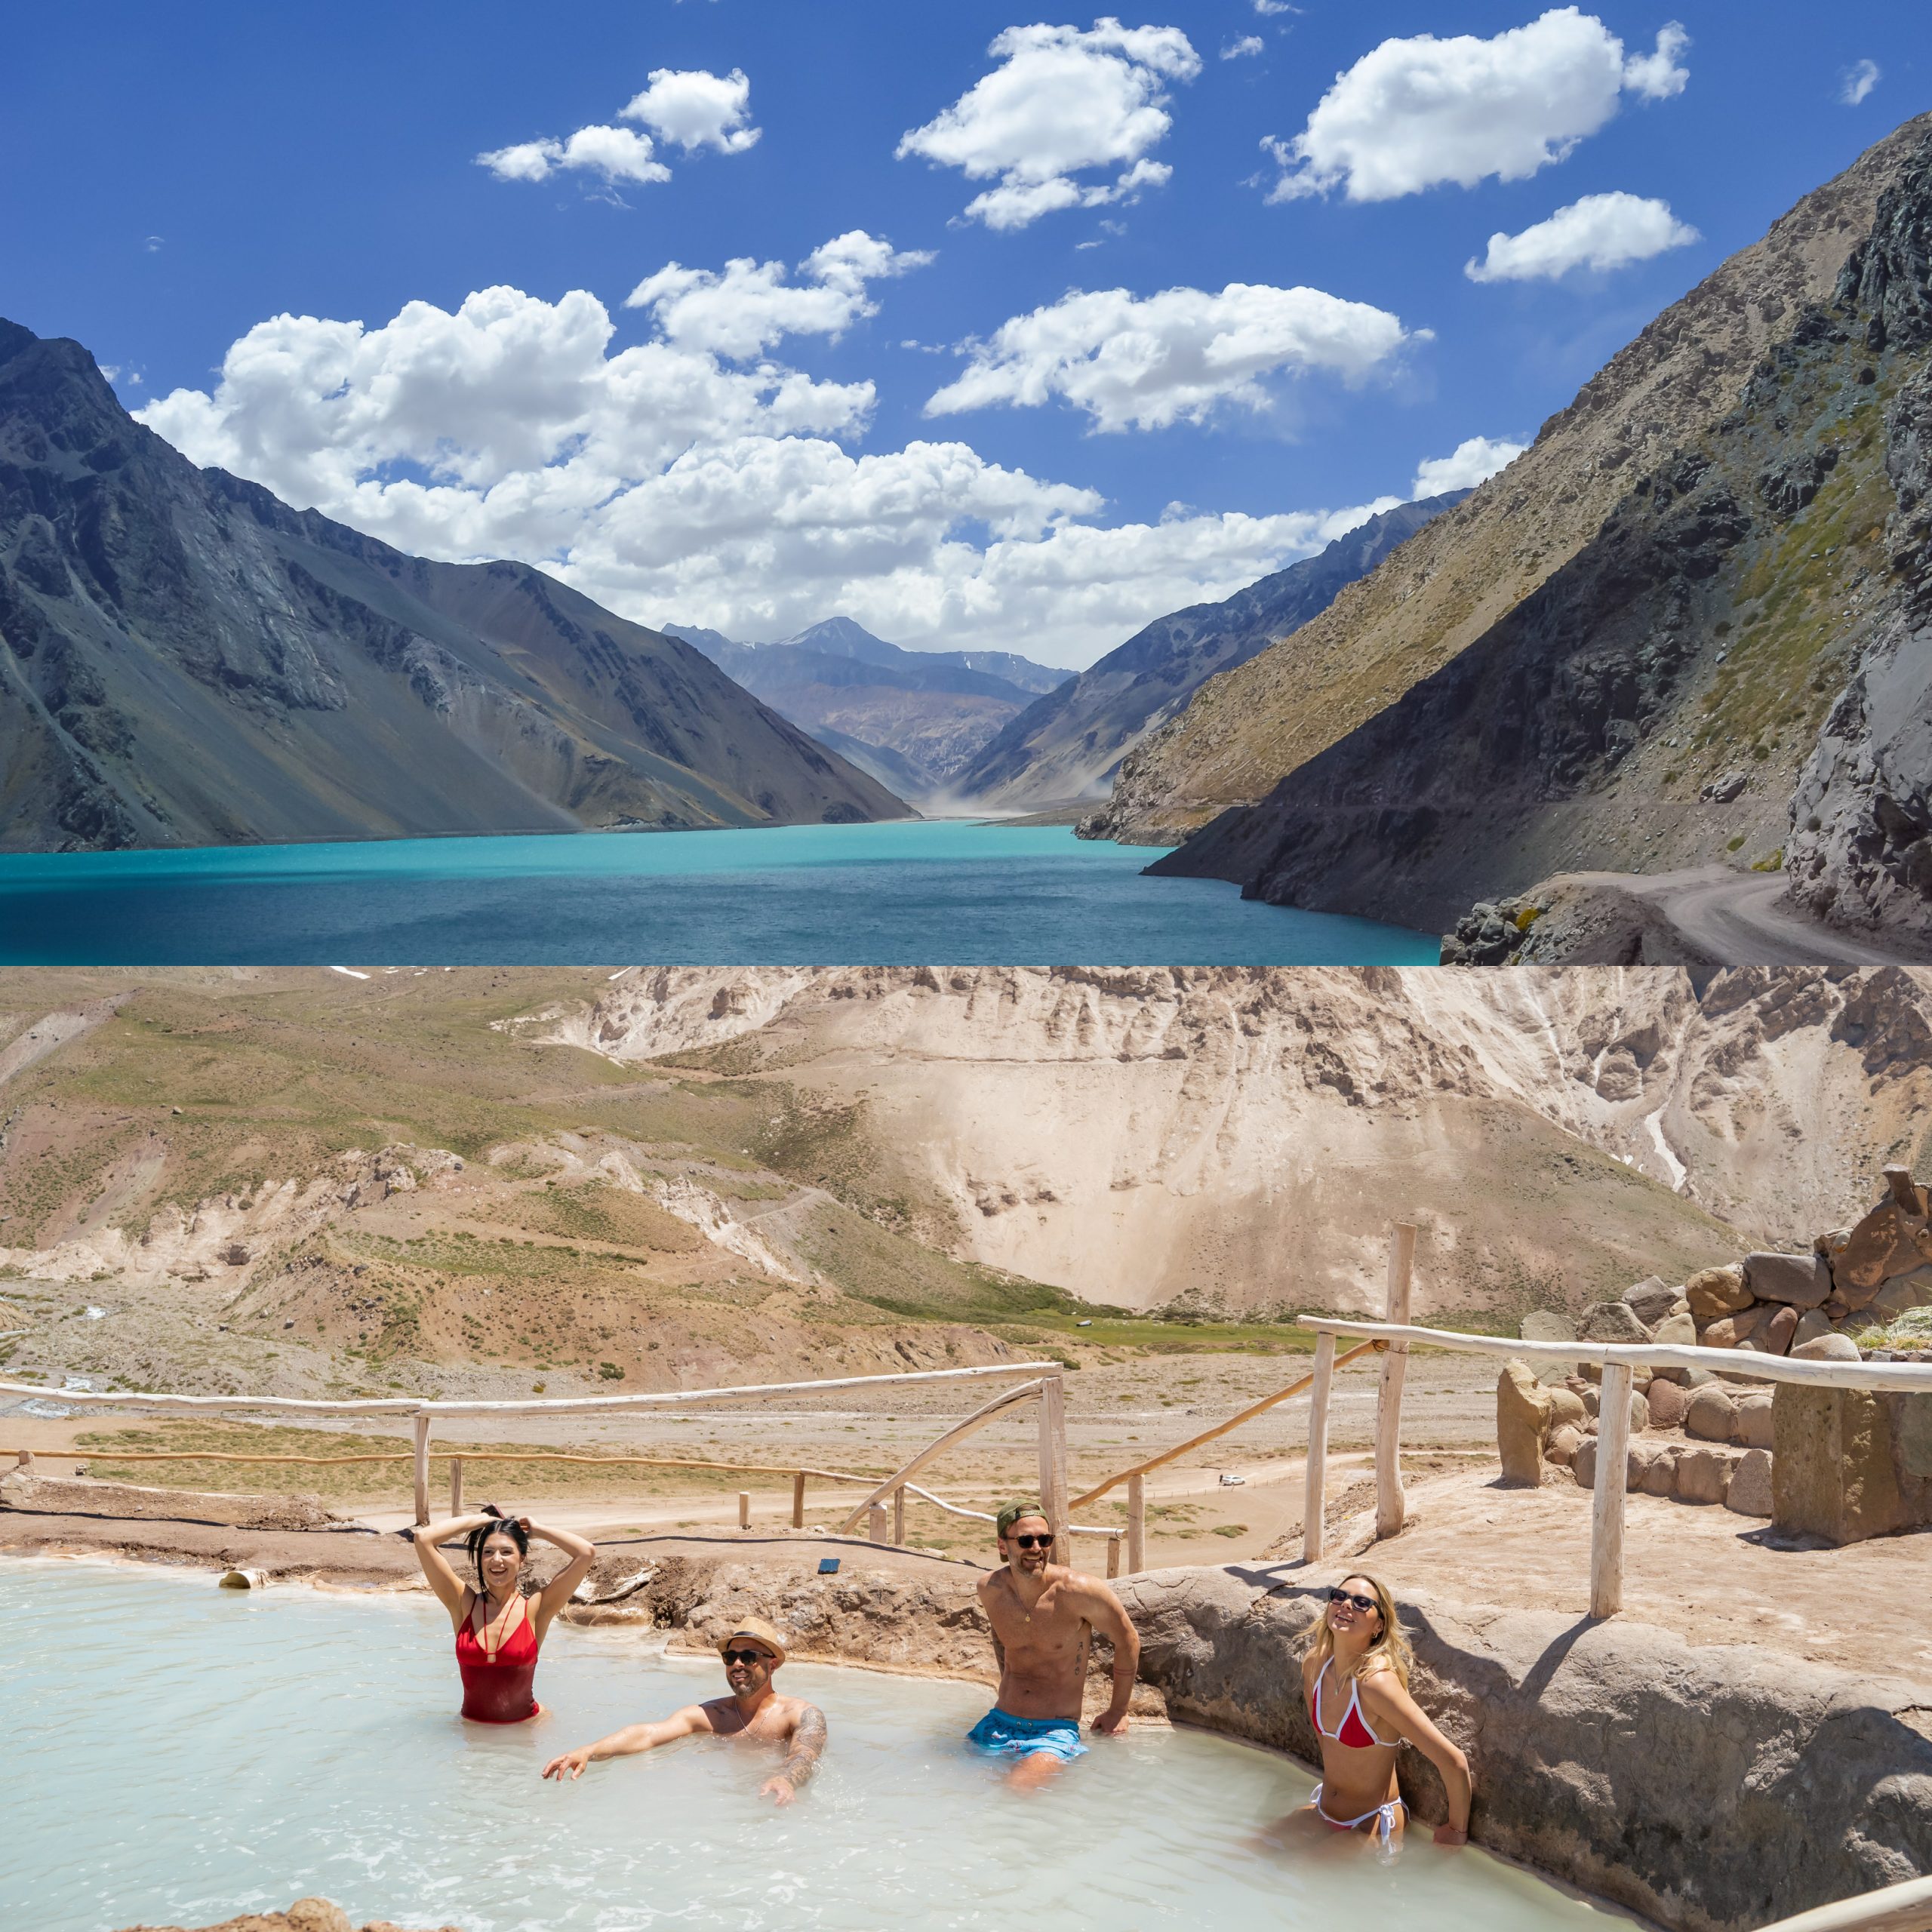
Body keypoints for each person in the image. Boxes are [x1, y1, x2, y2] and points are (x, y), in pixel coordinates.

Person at [540, 1616, 827, 1805]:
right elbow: (648, 1734)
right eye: (730, 1657)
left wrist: (785, 1779)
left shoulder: (800, 1714)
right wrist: (589, 1751)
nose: (737, 1664)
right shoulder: (712, 1715)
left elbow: (804, 1754)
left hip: (774, 1803)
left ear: (772, 1664)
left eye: (748, 1657)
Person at [968, 1500, 1140, 1789]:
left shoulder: (1079, 1591)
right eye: (1026, 1541)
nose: (1037, 1548)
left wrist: (1118, 1710)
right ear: (1002, 1545)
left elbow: (1128, 1639)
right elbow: (1004, 1642)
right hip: (998, 1721)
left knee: (1017, 1791)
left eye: (1044, 1540)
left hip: (1053, 1732)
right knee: (956, 1789)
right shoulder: (990, 1589)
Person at [1300, 1572, 1472, 1849]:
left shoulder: (1376, 1684)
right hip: (1324, 1809)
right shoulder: (1315, 1665)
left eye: (1361, 1603)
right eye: (1339, 1596)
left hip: (1370, 1823)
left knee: (1301, 1870)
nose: (1346, 1604)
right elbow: (1328, 1745)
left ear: (1378, 1625)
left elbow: (1454, 1761)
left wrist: (1456, 1831)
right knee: (1250, 1852)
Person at [411, 1503, 596, 1724]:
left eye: (507, 1552)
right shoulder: (463, 1604)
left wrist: (538, 1530)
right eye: (488, 1552)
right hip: (472, 1729)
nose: (497, 1560)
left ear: (522, 1558)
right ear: (480, 1559)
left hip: (527, 1728)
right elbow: (423, 1538)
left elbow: (586, 1552)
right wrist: (481, 1520)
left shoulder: (536, 1609)